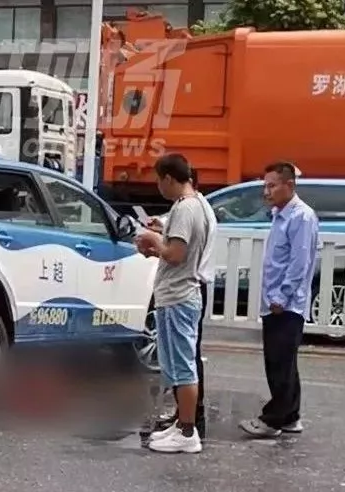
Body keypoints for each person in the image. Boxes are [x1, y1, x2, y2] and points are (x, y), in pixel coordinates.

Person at [134, 153, 214, 454]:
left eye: (159, 180)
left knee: (183, 367)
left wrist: (153, 241)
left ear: (168, 178)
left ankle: (188, 431)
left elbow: (176, 254)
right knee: (175, 366)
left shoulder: (186, 208)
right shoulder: (193, 205)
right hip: (178, 294)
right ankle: (181, 425)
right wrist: (158, 245)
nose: (158, 186)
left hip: (180, 296)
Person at [239, 161, 318, 438]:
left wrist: (282, 295)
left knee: (279, 363)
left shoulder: (301, 217)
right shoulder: (281, 214)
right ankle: (291, 417)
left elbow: (299, 262)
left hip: (286, 303)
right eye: (265, 185)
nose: (266, 191)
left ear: (289, 185)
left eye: (272, 186)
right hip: (276, 300)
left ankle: (272, 420)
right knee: (283, 361)